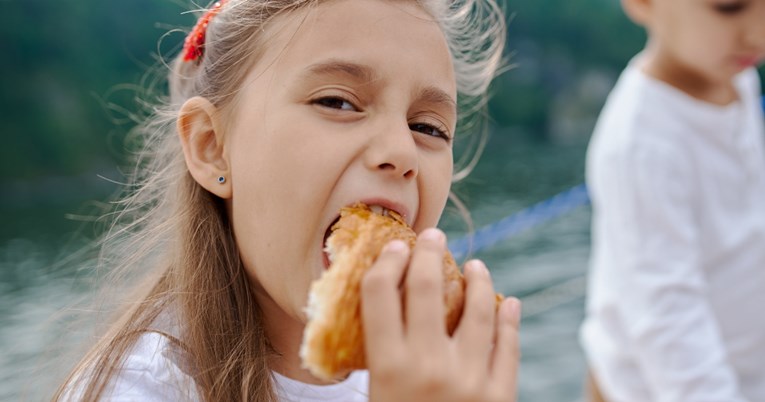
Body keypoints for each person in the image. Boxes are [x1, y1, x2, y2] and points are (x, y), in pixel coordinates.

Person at [53, 0, 521, 401]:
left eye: (429, 128)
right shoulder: (141, 386)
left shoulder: (423, 367)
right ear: (212, 145)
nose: (401, 151)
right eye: (337, 102)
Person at [580, 0, 765, 400]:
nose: (759, 33)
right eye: (730, 8)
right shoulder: (641, 144)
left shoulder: (737, 76)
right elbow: (667, 318)